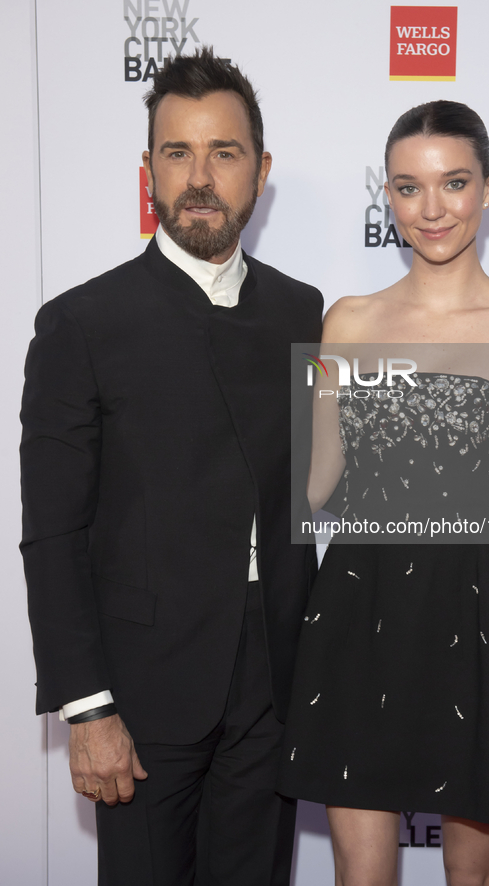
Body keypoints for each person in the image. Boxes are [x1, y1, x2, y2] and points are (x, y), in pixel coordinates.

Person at [21, 47, 322, 886]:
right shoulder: (81, 322)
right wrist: (87, 709)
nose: (200, 177)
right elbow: (52, 535)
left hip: (272, 684)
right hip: (142, 695)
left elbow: (321, 488)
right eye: (177, 153)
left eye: (223, 153)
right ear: (148, 169)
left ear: (258, 172)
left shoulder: (302, 311)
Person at [277, 101, 489, 885]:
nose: (432, 208)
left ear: (488, 188)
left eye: (453, 183)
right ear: (387, 197)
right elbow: (310, 484)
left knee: (473, 875)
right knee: (359, 874)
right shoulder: (345, 323)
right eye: (408, 188)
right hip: (355, 609)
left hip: (480, 615)